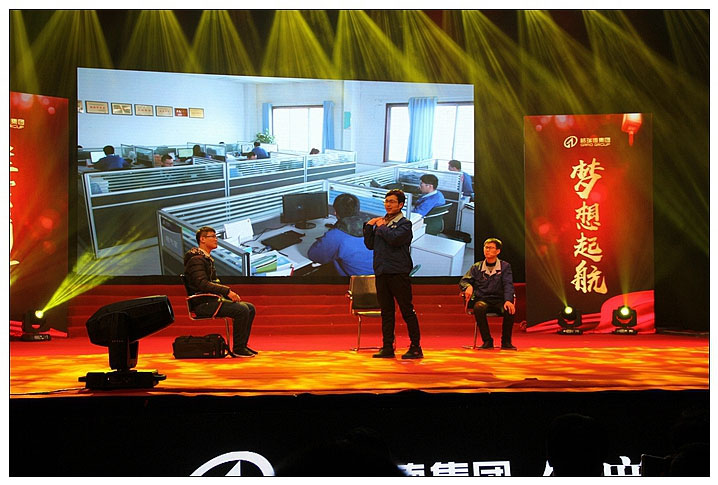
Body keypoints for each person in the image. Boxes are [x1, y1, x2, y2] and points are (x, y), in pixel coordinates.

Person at [363, 189, 423, 359]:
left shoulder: (405, 224)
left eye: (392, 201)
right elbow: (370, 245)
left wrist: (381, 226)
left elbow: (394, 239)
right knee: (386, 311)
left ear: (401, 204)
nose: (388, 204)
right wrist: (369, 226)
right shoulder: (382, 223)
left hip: (398, 272)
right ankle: (387, 346)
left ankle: (416, 347)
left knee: (406, 310)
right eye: (386, 201)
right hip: (382, 271)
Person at [183, 226, 257, 357]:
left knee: (250, 308)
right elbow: (202, 284)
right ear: (202, 239)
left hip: (211, 299)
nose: (216, 239)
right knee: (242, 310)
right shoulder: (196, 260)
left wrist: (226, 294)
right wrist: (227, 292)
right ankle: (238, 349)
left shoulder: (205, 258)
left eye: (216, 236)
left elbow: (212, 283)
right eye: (213, 236)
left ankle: (242, 345)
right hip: (202, 303)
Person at [459, 237, 517, 350]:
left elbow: (508, 284)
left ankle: (506, 342)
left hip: (500, 300)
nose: (487, 250)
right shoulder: (476, 267)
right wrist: (468, 286)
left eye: (491, 248)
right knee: (478, 307)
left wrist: (508, 300)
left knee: (509, 309)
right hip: (483, 299)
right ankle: (487, 341)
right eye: (486, 247)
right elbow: (464, 281)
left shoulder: (505, 267)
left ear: (498, 251)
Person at [308, 193, 373, 276]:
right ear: (357, 210)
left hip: (355, 282)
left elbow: (313, 255)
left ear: (335, 213)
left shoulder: (336, 236)